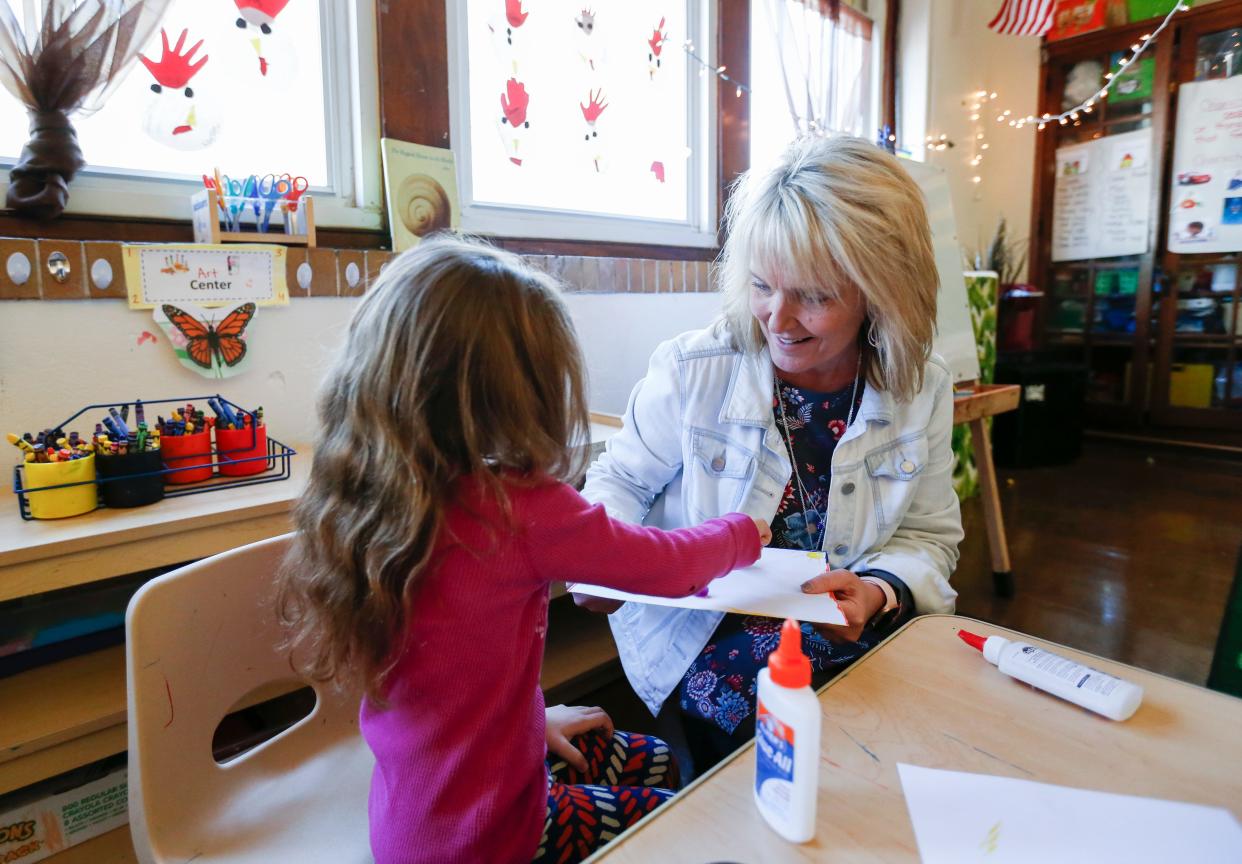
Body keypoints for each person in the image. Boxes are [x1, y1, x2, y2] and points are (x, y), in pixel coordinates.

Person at [276, 236, 770, 864]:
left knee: (650, 758)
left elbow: (453, 671)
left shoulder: (373, 495)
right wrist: (744, 532)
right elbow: (665, 568)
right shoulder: (515, 508)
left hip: (412, 825)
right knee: (688, 808)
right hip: (493, 838)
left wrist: (530, 723)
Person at [575, 135, 964, 774]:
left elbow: (928, 538)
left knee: (907, 737)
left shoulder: (920, 387)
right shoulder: (695, 368)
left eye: (814, 296)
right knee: (794, 755)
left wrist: (878, 591)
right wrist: (599, 562)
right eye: (761, 286)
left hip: (850, 626)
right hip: (707, 636)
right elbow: (618, 479)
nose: (777, 319)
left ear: (881, 291)